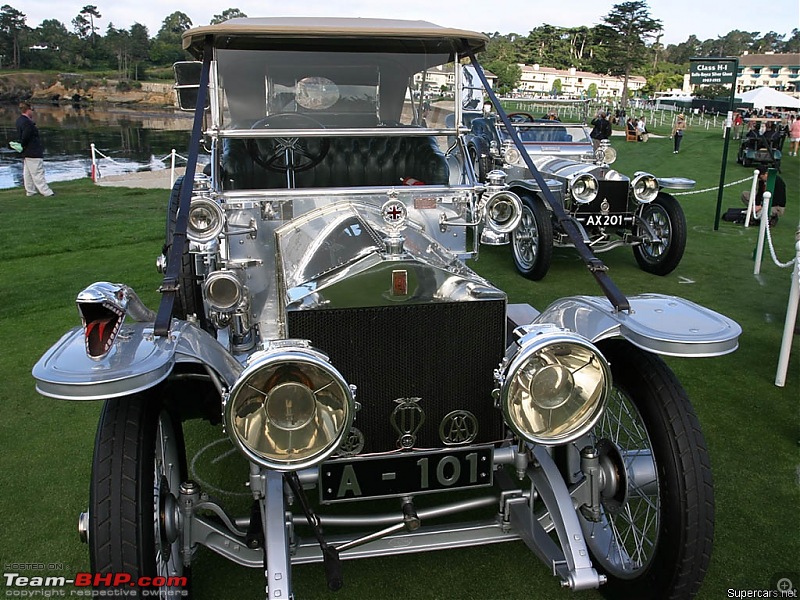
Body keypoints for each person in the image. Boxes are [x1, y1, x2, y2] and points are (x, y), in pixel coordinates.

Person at [15, 101, 55, 197]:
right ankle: (46, 192)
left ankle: (30, 191)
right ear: (28, 110)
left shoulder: (19, 120)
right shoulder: (28, 123)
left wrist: (22, 146)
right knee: (38, 172)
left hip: (26, 152)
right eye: (32, 110)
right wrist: (24, 145)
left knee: (28, 173)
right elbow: (26, 136)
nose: (33, 112)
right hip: (33, 150)